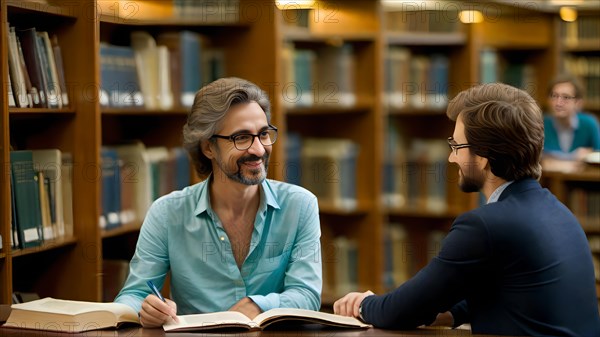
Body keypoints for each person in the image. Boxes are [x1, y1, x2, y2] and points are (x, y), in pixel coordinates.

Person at [333, 83, 600, 336]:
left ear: (483, 158)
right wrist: (447, 312)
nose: (451, 157)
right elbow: (514, 294)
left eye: (457, 146)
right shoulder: (560, 213)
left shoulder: (486, 225)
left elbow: (399, 310)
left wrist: (362, 304)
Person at [115, 77, 322, 328]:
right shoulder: (166, 213)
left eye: (264, 134)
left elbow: (307, 295)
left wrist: (257, 305)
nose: (258, 149)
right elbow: (132, 296)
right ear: (208, 147)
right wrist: (146, 309)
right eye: (242, 138)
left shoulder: (300, 206)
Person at [543, 74, 600, 161]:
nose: (558, 103)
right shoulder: (540, 124)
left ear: (578, 102)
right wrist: (574, 157)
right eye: (554, 96)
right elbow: (538, 159)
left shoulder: (589, 123)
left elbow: (597, 155)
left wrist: (552, 159)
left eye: (566, 97)